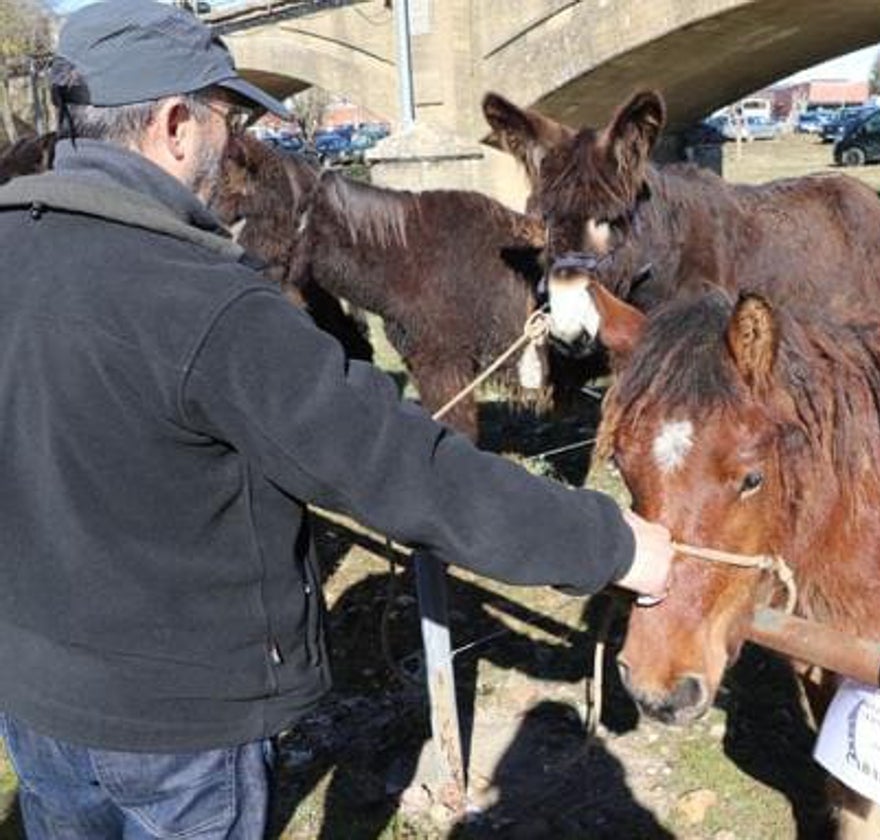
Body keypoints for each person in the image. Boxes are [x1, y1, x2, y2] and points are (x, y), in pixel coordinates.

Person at [0, 1, 672, 837]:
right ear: (175, 124)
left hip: (33, 705)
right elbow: (400, 468)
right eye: (226, 119)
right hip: (179, 731)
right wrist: (610, 543)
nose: (230, 146)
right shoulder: (206, 303)